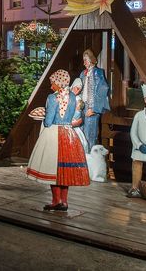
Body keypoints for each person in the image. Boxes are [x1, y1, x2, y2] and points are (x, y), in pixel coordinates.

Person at [26, 69, 90, 211]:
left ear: (58, 83)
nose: (51, 86)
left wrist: (44, 117)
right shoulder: (73, 97)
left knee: (52, 167)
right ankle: (64, 201)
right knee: (64, 169)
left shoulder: (52, 98)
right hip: (68, 134)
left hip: (54, 132)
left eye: (52, 83)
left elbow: (49, 121)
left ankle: (56, 201)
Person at [78, 49, 110, 152]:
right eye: (83, 60)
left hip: (92, 107)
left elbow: (102, 89)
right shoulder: (83, 73)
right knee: (81, 133)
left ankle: (90, 159)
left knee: (90, 134)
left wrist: (94, 109)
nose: (84, 62)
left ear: (92, 60)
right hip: (82, 107)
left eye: (86, 60)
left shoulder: (98, 72)